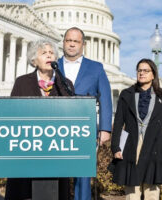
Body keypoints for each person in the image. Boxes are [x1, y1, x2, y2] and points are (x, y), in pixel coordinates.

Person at [5, 39, 74, 200]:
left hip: (56, 151)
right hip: (28, 150)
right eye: (44, 53)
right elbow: (13, 114)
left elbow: (72, 116)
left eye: (51, 53)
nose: (49, 56)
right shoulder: (22, 82)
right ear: (34, 60)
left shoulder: (65, 84)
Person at [109, 59, 162, 200]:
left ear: (153, 74)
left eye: (146, 70)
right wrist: (116, 147)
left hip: (154, 146)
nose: (142, 73)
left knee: (152, 192)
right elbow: (118, 123)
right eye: (139, 70)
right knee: (132, 193)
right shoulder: (126, 94)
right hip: (130, 146)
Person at [58, 27, 112, 200]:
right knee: (58, 172)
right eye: (68, 41)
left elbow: (105, 98)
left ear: (83, 44)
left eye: (76, 41)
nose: (72, 44)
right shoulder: (53, 65)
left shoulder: (96, 68)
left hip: (85, 126)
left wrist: (105, 129)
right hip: (56, 126)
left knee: (82, 175)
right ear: (63, 42)